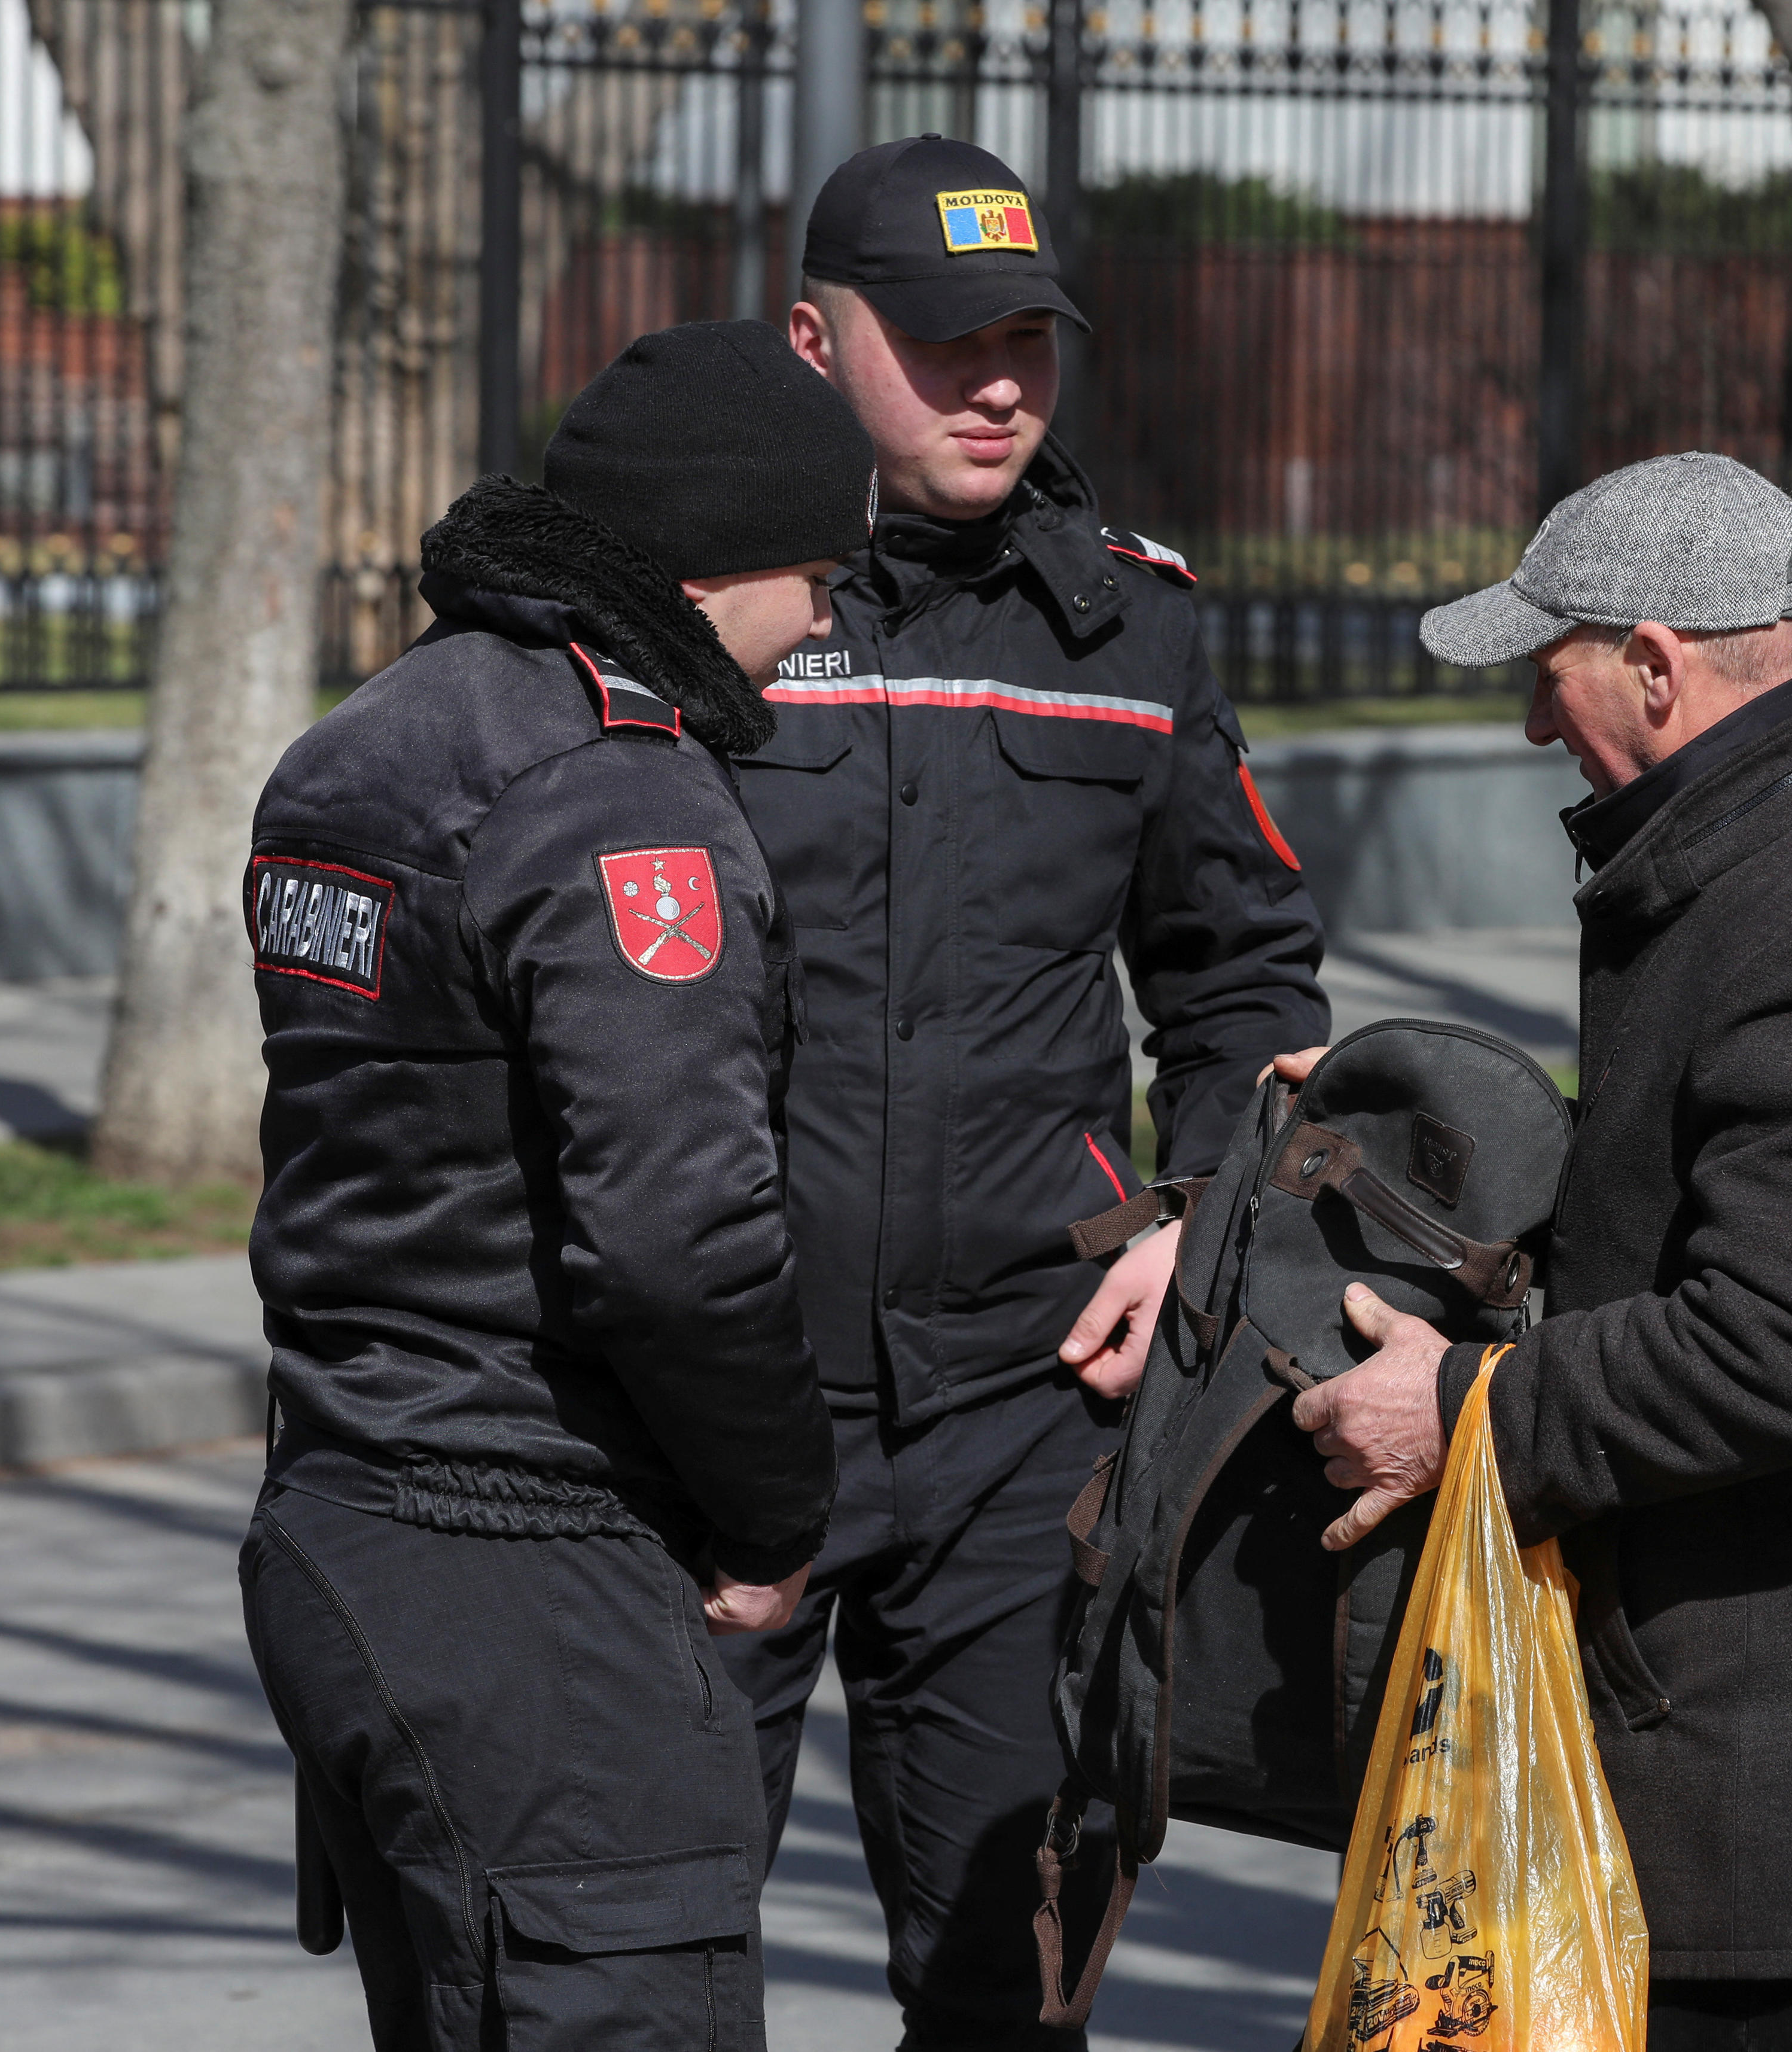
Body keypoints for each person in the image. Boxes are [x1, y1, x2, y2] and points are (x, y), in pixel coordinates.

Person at [1278, 453, 1792, 2052]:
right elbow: (1688, 1197)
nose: (1528, 725)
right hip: (1714, 1757)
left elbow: (1791, 1342)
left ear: (1653, 664)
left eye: (1547, 672)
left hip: (1769, 1801)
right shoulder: (1749, 868)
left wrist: (1470, 1411)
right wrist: (1432, 1144)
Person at [714, 135, 1328, 2047]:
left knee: (1010, 1969)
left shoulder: (1131, 625)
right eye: (946, 341)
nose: (999, 383)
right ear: (816, 344)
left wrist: (1195, 1235)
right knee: (639, 1959)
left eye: (1030, 342)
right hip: (720, 1398)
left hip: (1022, 1408)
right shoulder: (703, 606)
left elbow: (1240, 975)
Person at [238, 319, 871, 2049]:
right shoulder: (615, 796)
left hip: (351, 1524)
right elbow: (678, 1237)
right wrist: (772, 1520)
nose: (822, 620)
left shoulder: (372, 734)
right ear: (715, 552)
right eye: (817, 572)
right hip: (530, 1572)